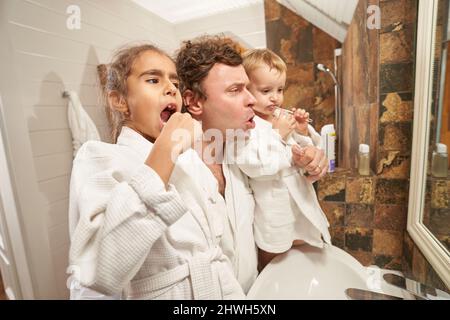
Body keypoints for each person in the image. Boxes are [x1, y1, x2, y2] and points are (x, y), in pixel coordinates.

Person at [68, 44, 245, 299]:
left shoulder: (190, 161)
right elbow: (100, 269)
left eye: (174, 81)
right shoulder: (99, 158)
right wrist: (167, 149)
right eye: (153, 79)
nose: (171, 88)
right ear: (119, 100)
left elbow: (218, 249)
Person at [175, 35, 329, 292]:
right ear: (194, 102)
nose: (251, 100)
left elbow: (278, 184)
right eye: (236, 90)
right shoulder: (177, 172)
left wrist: (309, 161)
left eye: (249, 88)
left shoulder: (237, 149)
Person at [238, 49, 331, 270]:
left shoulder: (282, 115)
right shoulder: (247, 126)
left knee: (303, 251)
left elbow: (306, 150)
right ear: (247, 91)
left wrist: (302, 132)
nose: (275, 97)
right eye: (266, 90)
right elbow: (256, 166)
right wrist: (276, 133)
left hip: (300, 198)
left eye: (280, 89)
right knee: (274, 260)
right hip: (274, 207)